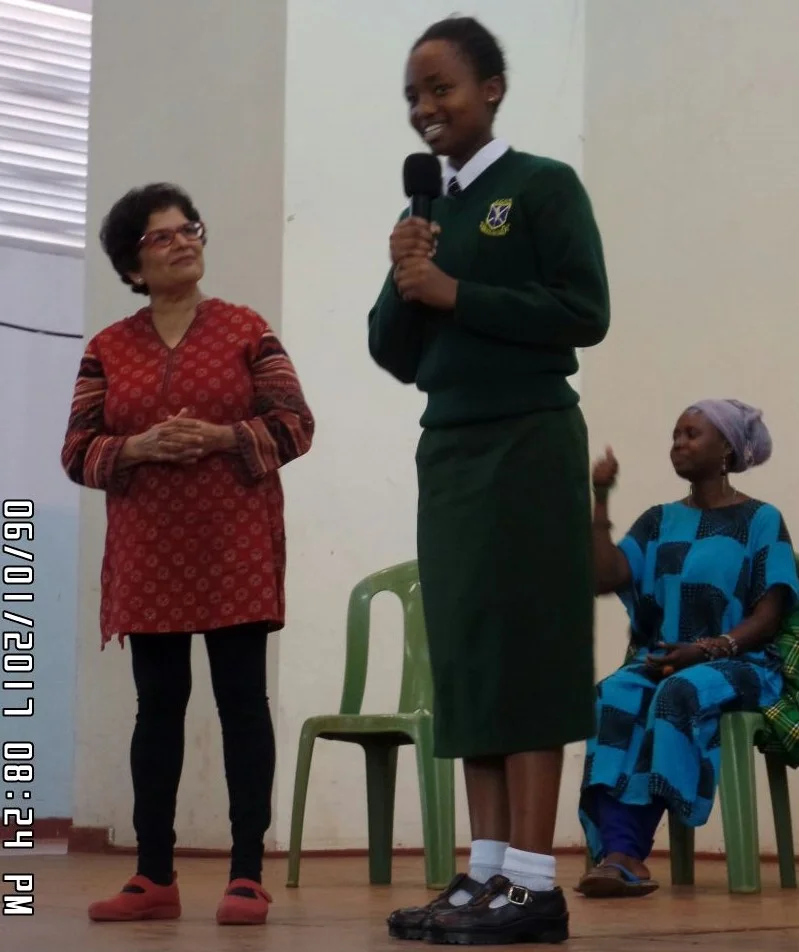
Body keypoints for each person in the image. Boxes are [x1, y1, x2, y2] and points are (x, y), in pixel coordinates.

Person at [368, 16, 610, 946]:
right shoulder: (430, 214)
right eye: (413, 96)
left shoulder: (541, 185)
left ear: (492, 89)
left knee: (526, 649)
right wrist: (404, 271)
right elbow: (394, 353)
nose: (425, 108)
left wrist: (456, 293)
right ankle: (485, 875)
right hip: (451, 450)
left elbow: (583, 311)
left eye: (442, 88)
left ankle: (535, 884)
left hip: (527, 440)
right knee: (469, 657)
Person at [61, 183, 314, 924]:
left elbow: (295, 423)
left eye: (189, 229)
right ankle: (153, 876)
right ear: (131, 266)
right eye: (162, 236)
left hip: (235, 543)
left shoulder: (245, 329)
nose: (183, 242)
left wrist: (223, 437)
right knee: (158, 707)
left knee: (242, 702)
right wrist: (136, 447)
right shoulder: (107, 348)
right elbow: (76, 451)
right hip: (148, 551)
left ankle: (246, 874)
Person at [578, 399, 799, 898]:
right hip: (664, 659)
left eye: (692, 434)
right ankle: (617, 853)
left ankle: (626, 852)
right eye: (675, 434)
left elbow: (769, 615)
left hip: (743, 663)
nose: (678, 444)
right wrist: (600, 498)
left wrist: (710, 648)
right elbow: (604, 578)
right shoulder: (658, 521)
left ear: (727, 450)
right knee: (610, 695)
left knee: (678, 693)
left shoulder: (761, 519)